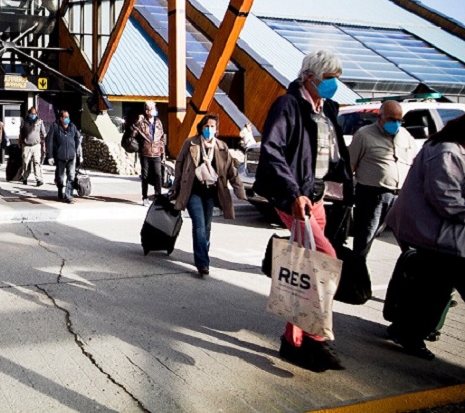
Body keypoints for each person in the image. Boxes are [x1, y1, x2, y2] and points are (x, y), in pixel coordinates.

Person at [253, 49, 352, 372]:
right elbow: (273, 150)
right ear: (308, 78)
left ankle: (292, 341)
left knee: (305, 272)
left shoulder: (327, 110)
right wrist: (294, 193)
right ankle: (314, 340)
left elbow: (333, 157)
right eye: (328, 79)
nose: (334, 84)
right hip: (297, 201)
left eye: (337, 78)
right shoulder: (288, 105)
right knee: (324, 261)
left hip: (319, 197)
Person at [384, 115, 465, 360]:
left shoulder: (450, 148)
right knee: (434, 286)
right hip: (432, 233)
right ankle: (411, 333)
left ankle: (405, 328)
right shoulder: (447, 152)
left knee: (426, 284)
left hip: (435, 233)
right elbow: (447, 200)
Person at [169, 114, 246, 276]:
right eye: (206, 126)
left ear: (216, 130)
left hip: (212, 192)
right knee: (199, 225)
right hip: (192, 191)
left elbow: (231, 171)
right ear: (201, 128)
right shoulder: (191, 143)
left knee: (207, 226)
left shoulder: (222, 147)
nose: (209, 130)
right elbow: (180, 164)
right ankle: (202, 263)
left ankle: (202, 253)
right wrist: (175, 186)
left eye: (212, 127)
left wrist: (240, 190)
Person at [349, 100, 417, 259]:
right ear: (380, 118)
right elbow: (351, 165)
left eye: (399, 120)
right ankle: (357, 279)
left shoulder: (405, 135)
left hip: (400, 196)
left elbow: (414, 162)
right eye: (391, 119)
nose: (396, 124)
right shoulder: (364, 135)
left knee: (409, 242)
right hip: (372, 196)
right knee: (365, 240)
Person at [130, 100, 166, 206]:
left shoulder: (158, 122)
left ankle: (158, 196)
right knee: (145, 176)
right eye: (152, 109)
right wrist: (137, 122)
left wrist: (163, 153)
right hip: (145, 153)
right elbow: (133, 134)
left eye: (155, 108)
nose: (155, 111)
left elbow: (162, 138)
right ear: (147, 111)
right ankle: (145, 197)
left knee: (158, 175)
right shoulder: (142, 122)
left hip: (156, 153)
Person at [45, 109, 81, 203]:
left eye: (68, 117)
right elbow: (49, 141)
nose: (67, 119)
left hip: (71, 156)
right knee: (60, 177)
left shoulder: (73, 127)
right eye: (65, 117)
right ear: (61, 118)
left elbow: (77, 140)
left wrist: (78, 153)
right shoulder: (55, 127)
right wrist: (50, 156)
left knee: (71, 177)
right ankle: (60, 188)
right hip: (60, 157)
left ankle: (68, 196)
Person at [19, 107, 45, 186]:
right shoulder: (24, 122)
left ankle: (39, 180)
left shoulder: (39, 122)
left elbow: (43, 134)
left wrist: (44, 145)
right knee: (26, 162)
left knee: (37, 162)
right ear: (29, 114)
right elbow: (21, 133)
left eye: (35, 114)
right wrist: (19, 142)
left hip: (36, 145)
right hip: (26, 146)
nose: (33, 115)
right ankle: (25, 177)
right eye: (32, 114)